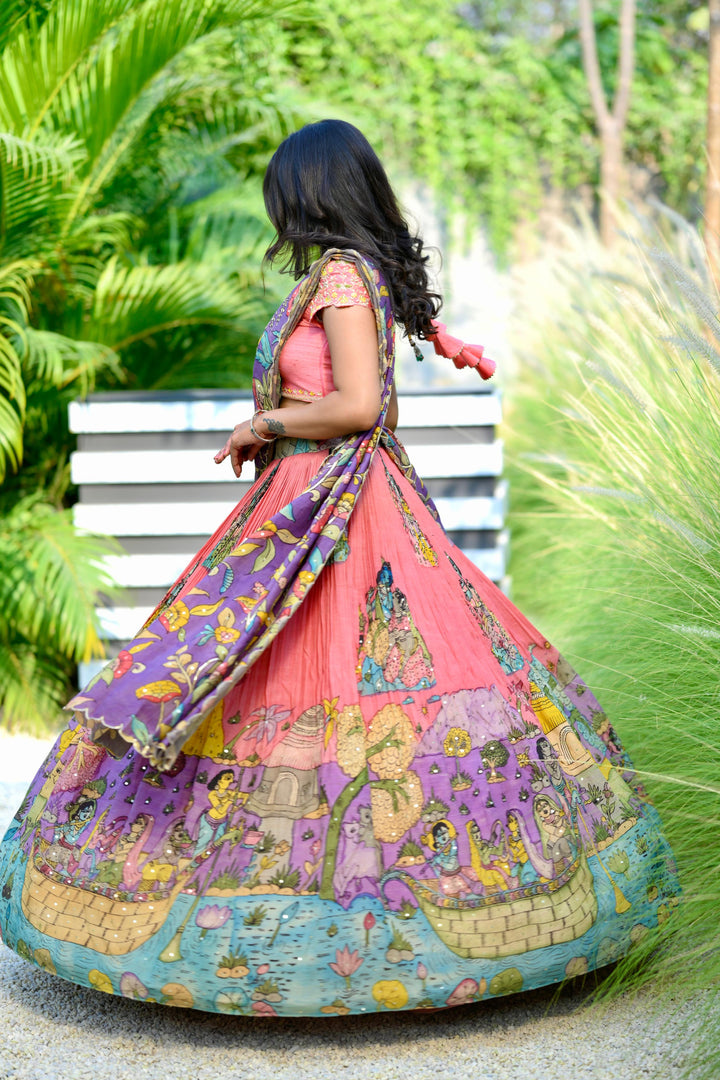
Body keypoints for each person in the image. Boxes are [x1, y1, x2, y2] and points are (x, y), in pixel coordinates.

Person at [0, 120, 678, 1017]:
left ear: (308, 193)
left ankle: (369, 933)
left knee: (347, 696)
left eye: (282, 191)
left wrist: (267, 424)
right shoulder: (343, 275)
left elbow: (357, 405)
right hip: (306, 502)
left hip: (343, 513)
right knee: (256, 682)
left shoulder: (347, 277)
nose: (276, 207)